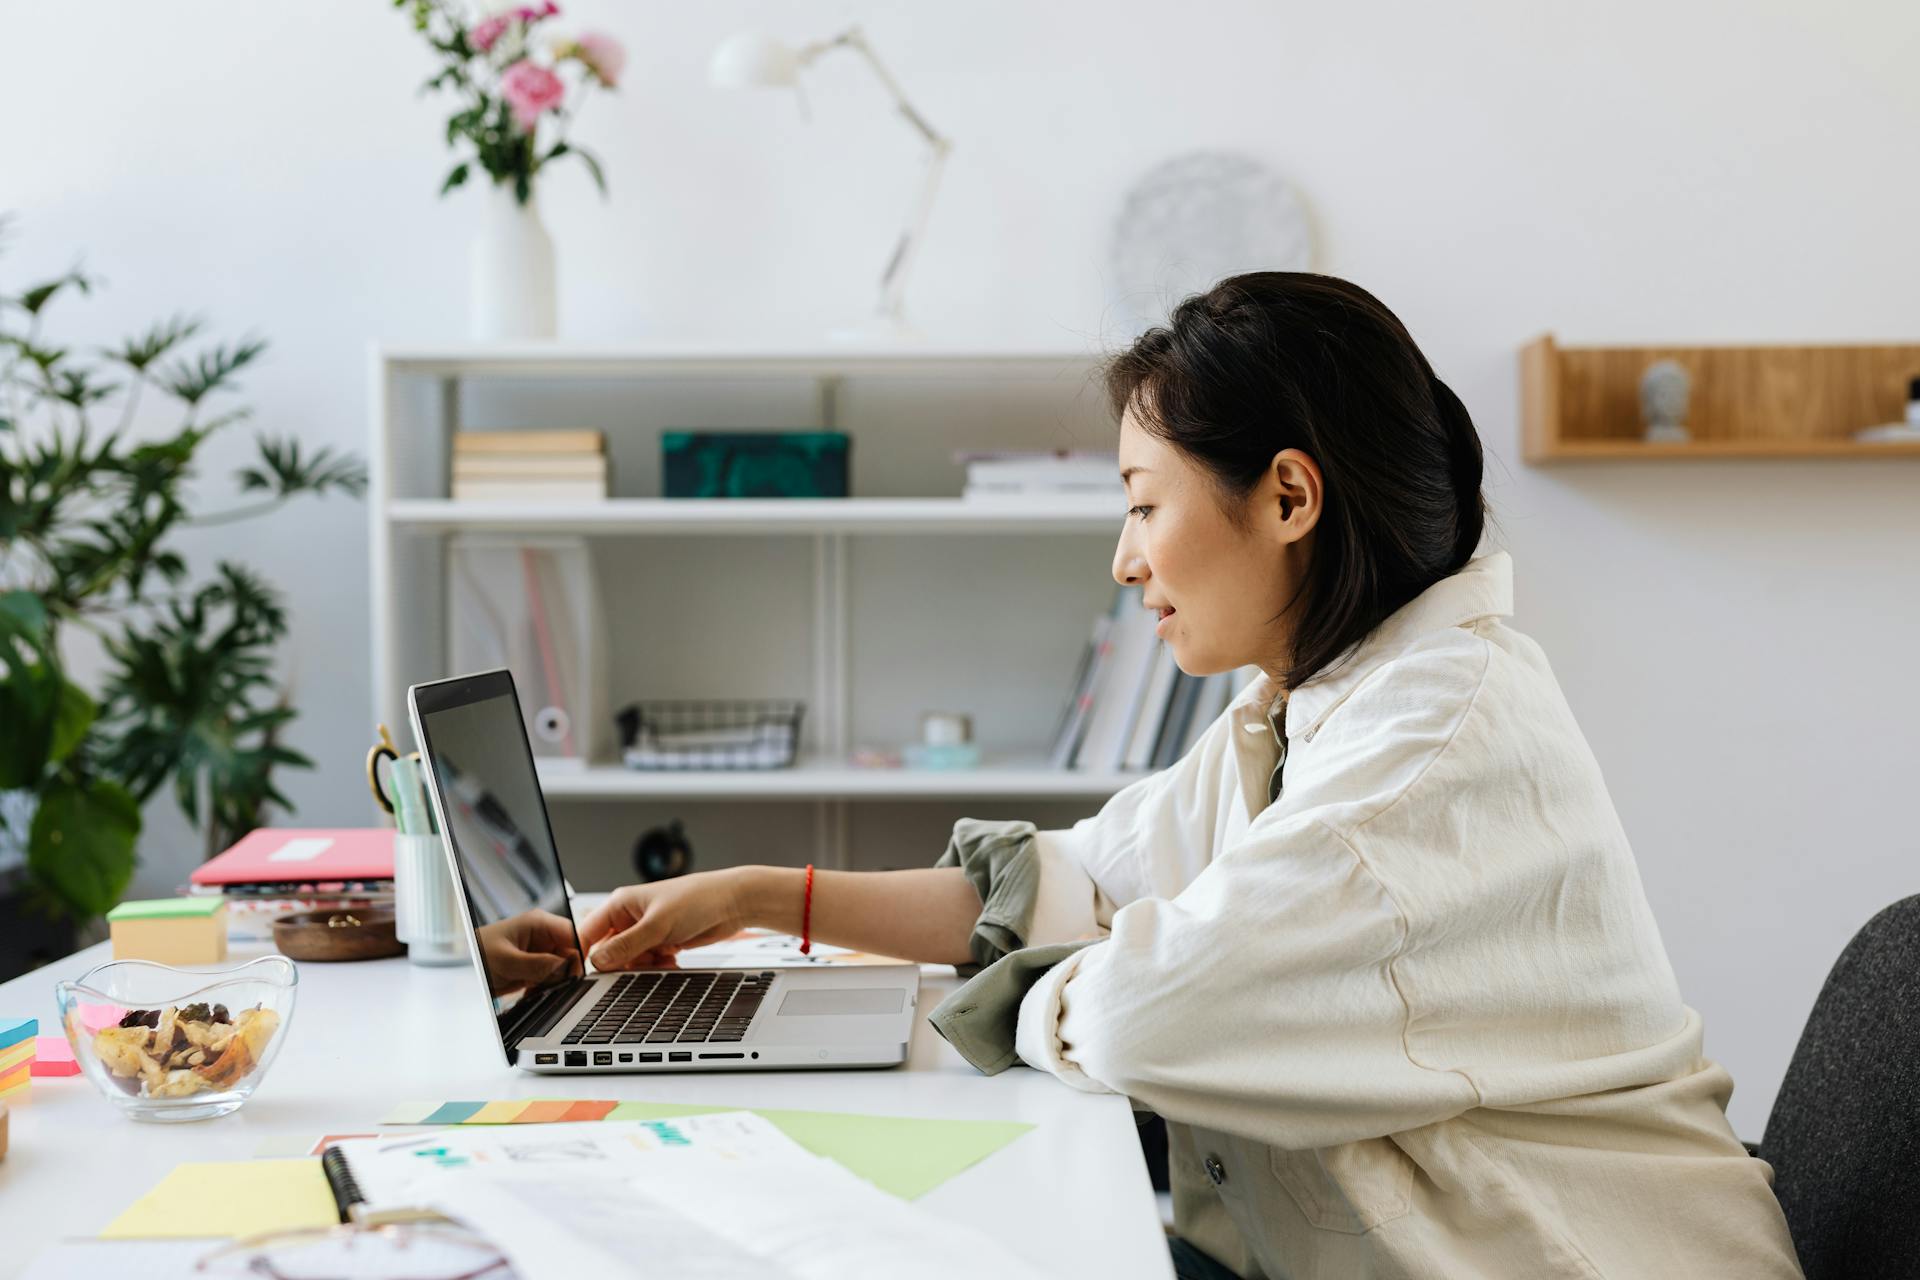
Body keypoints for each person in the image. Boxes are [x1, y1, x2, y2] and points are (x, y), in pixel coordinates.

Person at [579, 273, 1804, 1279]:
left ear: (1287, 495)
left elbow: (1138, 1012)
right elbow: (1071, 881)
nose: (1124, 560)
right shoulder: (1312, 707)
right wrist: (750, 896)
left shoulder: (1430, 747)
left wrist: (1029, 990)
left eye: (1142, 503)